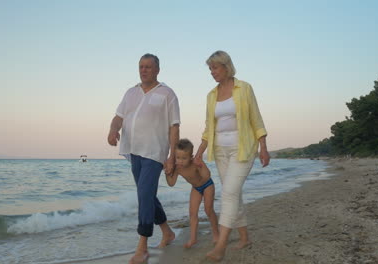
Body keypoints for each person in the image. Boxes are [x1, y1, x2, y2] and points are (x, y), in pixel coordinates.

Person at [193, 50, 270, 261]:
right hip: (220, 152)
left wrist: (263, 146)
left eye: (215, 68)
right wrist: (199, 153)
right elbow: (209, 128)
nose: (212, 72)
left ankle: (221, 245)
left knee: (228, 193)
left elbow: (256, 117)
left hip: (242, 149)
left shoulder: (244, 88)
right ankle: (244, 237)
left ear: (226, 67)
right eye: (210, 69)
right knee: (234, 194)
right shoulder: (211, 95)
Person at [107, 53, 179, 264]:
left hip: (155, 151)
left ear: (157, 69)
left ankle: (142, 246)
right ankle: (167, 232)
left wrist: (172, 156)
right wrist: (112, 130)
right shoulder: (131, 92)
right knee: (146, 194)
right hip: (133, 151)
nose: (144, 70)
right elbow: (118, 117)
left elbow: (174, 126)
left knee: (144, 195)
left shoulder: (167, 93)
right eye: (141, 66)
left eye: (148, 67)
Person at [165, 138, 220, 248]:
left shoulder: (195, 162)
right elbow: (171, 183)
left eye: (184, 158)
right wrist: (167, 173)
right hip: (196, 188)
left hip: (207, 185)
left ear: (191, 157)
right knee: (192, 213)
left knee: (208, 209)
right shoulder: (177, 168)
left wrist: (201, 165)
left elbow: (207, 175)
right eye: (178, 158)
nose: (180, 161)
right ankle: (193, 239)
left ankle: (216, 233)